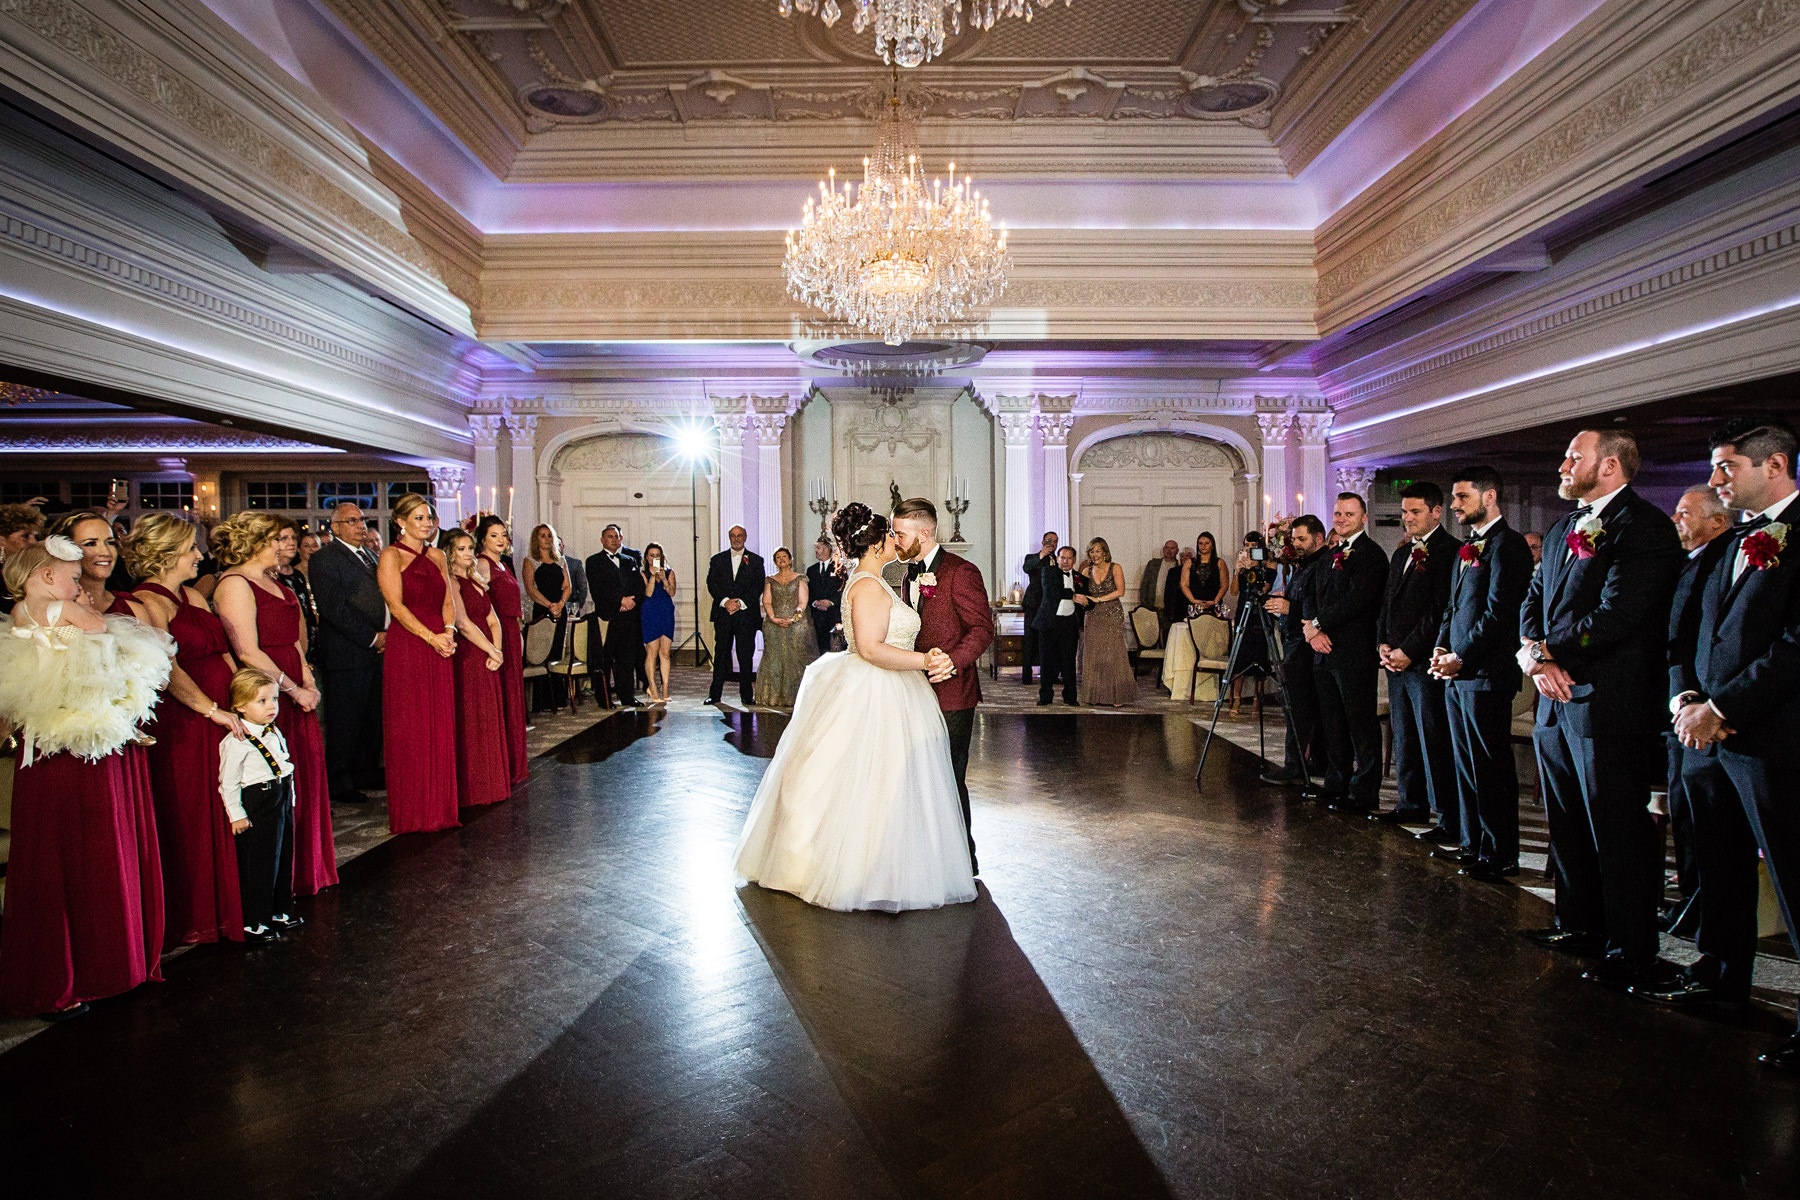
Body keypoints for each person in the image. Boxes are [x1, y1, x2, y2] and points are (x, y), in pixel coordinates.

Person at [732, 502, 974, 913]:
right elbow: (870, 648)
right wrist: (924, 660)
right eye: (892, 536)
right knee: (870, 782)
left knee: (888, 783)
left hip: (888, 687)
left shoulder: (873, 580)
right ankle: (863, 870)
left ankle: (888, 863)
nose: (898, 542)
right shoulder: (866, 585)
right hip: (877, 689)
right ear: (878, 543)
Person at [1656, 419, 1800, 1073]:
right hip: (1705, 737)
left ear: (1774, 466)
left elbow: (1794, 647)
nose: (1717, 480)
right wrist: (1687, 700)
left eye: (1727, 467)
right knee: (1719, 867)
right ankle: (1721, 981)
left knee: (1796, 884)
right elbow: (1688, 634)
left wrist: (1724, 707)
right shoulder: (1729, 544)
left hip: (1771, 739)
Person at [1519, 428, 1683, 991]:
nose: (1563, 464)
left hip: (1609, 703)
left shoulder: (1645, 528)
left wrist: (1551, 652)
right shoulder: (1566, 525)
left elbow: (1621, 615)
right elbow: (1532, 597)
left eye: (1574, 457)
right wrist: (1537, 659)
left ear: (1610, 466)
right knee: (1565, 821)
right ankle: (1579, 924)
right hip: (1554, 696)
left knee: (1617, 829)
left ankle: (1631, 947)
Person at [0, 536, 173, 1019]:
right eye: (73, 579)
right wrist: (84, 611)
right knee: (82, 844)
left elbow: (59, 648)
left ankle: (69, 967)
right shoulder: (65, 611)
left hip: (45, 732)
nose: (81, 587)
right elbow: (97, 627)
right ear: (48, 577)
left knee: (51, 850)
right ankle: (91, 966)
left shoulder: (20, 613)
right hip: (77, 737)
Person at [125, 513, 250, 948]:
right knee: (193, 811)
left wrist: (244, 700)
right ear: (166, 553)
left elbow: (224, 648)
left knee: (225, 803)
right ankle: (194, 915)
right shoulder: (148, 600)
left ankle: (226, 907)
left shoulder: (193, 594)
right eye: (191, 548)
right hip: (188, 719)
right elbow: (166, 667)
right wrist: (209, 708)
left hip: (223, 708)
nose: (199, 555)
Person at [211, 511, 338, 898]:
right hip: (263, 691)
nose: (286, 545)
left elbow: (294, 638)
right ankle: (275, 885)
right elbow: (247, 650)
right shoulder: (234, 584)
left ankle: (303, 870)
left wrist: (307, 678)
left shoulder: (273, 579)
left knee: (300, 780)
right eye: (276, 539)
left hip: (293, 678)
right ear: (253, 542)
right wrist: (290, 690)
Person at [1428, 468, 1534, 871]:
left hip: (1487, 674)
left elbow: (1499, 615)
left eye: (1461, 497)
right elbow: (1453, 606)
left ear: (1489, 496)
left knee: (1490, 767)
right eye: (1453, 497)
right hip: (1458, 673)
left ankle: (1500, 852)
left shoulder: (1508, 546)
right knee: (1465, 764)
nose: (1454, 504)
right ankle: (1472, 843)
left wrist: (1462, 657)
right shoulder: (1468, 546)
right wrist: (1442, 646)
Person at [892, 498, 996, 871]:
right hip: (916, 692)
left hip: (953, 692)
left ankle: (962, 863)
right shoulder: (908, 574)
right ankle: (927, 859)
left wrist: (952, 661)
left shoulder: (960, 571)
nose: (895, 540)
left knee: (950, 777)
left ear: (924, 532)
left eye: (900, 533)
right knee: (920, 778)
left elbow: (983, 630)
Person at [1658, 486, 1735, 934]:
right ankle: (1691, 899)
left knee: (1707, 822)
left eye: (1685, 513)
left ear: (1717, 522)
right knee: (1685, 813)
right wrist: (1680, 694)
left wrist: (1698, 701)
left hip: (1711, 712)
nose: (1676, 520)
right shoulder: (1689, 561)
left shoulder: (1721, 561)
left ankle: (1703, 907)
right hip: (1682, 703)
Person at [1373, 483, 1460, 830]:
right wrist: (1383, 642)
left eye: (1415, 512)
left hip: (1424, 661)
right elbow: (1388, 602)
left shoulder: (1450, 551)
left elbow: (1439, 610)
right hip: (1394, 659)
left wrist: (1409, 651)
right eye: (1404, 513)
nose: (1406, 519)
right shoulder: (1401, 552)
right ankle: (1411, 804)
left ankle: (1447, 816)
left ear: (1436, 512)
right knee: (1405, 734)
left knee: (1432, 738)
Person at [378, 493, 461, 833]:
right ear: (400, 522)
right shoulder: (390, 555)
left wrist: (449, 632)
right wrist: (431, 637)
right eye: (419, 518)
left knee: (439, 722)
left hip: (441, 642)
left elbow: (448, 599)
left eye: (429, 518)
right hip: (410, 645)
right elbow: (395, 606)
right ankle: (414, 811)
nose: (427, 524)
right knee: (411, 726)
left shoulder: (439, 555)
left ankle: (440, 807)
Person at [1298, 494, 1386, 813]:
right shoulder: (1330, 554)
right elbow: (1311, 594)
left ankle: (1365, 792)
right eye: (1337, 513)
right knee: (1331, 722)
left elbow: (1356, 601)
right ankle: (1336, 783)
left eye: (1349, 513)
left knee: (1359, 723)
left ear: (1363, 518)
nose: (1341, 518)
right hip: (1323, 651)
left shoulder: (1371, 555)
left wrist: (1318, 623)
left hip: (1353, 653)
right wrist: (1311, 629)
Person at [310, 503, 387, 806]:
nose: (360, 526)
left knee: (370, 715)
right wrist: (372, 637)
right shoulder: (325, 559)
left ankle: (365, 770)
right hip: (347, 651)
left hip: (375, 651)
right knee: (345, 718)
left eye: (362, 520)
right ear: (336, 526)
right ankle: (339, 779)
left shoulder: (369, 554)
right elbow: (333, 608)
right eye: (351, 521)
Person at [218, 667, 294, 945]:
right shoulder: (236, 742)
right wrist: (236, 814)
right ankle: (255, 921)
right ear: (239, 706)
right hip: (258, 801)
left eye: (274, 699)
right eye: (261, 701)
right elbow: (228, 782)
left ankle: (279, 911)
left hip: (280, 797)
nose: (271, 706)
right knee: (260, 863)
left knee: (283, 855)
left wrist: (290, 797)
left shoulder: (273, 732)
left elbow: (284, 765)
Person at [443, 527, 510, 808]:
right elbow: (463, 624)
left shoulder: (478, 581)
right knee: (472, 718)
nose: (469, 554)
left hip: (488, 653)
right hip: (470, 654)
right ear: (450, 553)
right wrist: (490, 650)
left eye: (470, 548)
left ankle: (492, 781)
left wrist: (499, 651)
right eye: (461, 549)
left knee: (489, 715)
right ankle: (475, 787)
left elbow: (493, 619)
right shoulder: (452, 582)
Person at [1260, 516, 1327, 793]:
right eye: (1294, 539)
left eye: (1301, 539)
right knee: (1301, 708)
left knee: (1298, 709)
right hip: (1295, 643)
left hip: (1305, 645)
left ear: (1319, 538)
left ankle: (1295, 765)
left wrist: (1290, 610)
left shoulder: (1322, 565)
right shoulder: (1303, 565)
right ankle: (1306, 760)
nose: (1296, 544)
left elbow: (1318, 606)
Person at [475, 515, 529, 783]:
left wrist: (517, 632)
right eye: (494, 535)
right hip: (496, 635)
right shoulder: (483, 564)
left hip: (510, 630)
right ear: (483, 538)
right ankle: (500, 765)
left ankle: (512, 763)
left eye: (503, 535)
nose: (500, 540)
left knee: (512, 695)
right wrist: (495, 645)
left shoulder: (503, 564)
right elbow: (481, 605)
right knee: (503, 696)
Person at [47, 509, 146, 621]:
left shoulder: (133, 609)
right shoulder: (49, 611)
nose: (106, 552)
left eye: (110, 542)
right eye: (91, 544)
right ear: (64, 550)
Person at [586, 523, 644, 709]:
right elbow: (598, 589)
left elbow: (639, 586)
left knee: (626, 660)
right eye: (609, 536)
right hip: (608, 617)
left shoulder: (630, 560)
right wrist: (620, 601)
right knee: (604, 659)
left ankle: (627, 696)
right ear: (603, 540)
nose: (613, 539)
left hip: (629, 618)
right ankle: (603, 698)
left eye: (616, 536)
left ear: (621, 539)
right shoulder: (593, 561)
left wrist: (632, 602)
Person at [706, 525, 764, 706]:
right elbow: (712, 584)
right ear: (729, 537)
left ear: (745, 537)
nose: (736, 539)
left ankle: (747, 695)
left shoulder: (756, 560)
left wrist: (739, 603)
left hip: (746, 616)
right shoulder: (717, 560)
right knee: (721, 655)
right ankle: (715, 695)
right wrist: (726, 602)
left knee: (745, 656)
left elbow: (758, 586)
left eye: (740, 535)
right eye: (733, 536)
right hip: (723, 615)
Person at [755, 547, 815, 707]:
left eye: (784, 556)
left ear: (790, 559)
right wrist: (773, 618)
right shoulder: (770, 579)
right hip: (773, 624)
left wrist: (793, 619)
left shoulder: (800, 578)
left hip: (795, 624)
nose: (781, 559)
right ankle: (773, 697)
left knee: (794, 657)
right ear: (775, 561)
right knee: (774, 657)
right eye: (778, 557)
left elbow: (803, 602)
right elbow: (766, 601)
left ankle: (796, 697)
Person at [1077, 536, 1134, 707]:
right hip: (1093, 616)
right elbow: (1082, 593)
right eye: (1092, 551)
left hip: (1112, 614)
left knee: (1112, 653)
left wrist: (1099, 599)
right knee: (1094, 654)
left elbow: (1120, 591)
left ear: (1105, 552)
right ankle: (1095, 695)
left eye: (1098, 551)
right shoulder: (1086, 571)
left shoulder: (1115, 567)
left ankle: (1116, 696)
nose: (1095, 555)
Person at [523, 523, 573, 711]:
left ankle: (558, 698)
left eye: (549, 535)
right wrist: (549, 606)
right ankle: (541, 701)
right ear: (536, 539)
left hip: (560, 609)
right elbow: (530, 588)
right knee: (540, 653)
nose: (546, 539)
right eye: (542, 535)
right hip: (542, 612)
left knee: (556, 652)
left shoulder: (560, 560)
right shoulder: (530, 561)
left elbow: (568, 586)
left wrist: (560, 604)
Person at [1033, 545, 1087, 706]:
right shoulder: (1048, 572)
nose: (1065, 561)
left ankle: (1071, 697)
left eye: (1069, 558)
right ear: (1057, 559)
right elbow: (1052, 592)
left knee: (1069, 661)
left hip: (1069, 623)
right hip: (1049, 622)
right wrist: (1074, 595)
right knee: (1046, 661)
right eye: (1062, 558)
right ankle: (1045, 697)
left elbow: (1087, 599)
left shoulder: (1080, 578)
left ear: (1074, 560)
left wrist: (1086, 601)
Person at [1228, 533, 1276, 715]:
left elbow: (1264, 589)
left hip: (1260, 613)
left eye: (1253, 544)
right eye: (1246, 544)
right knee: (1240, 655)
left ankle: (1257, 699)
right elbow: (1233, 591)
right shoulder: (1242, 562)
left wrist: (1256, 567)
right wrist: (1238, 570)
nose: (1249, 548)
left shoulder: (1268, 564)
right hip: (1243, 612)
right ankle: (1237, 699)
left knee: (1259, 656)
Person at [273, 519, 320, 668]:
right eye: (284, 538)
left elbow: (308, 615)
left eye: (293, 538)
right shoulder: (270, 576)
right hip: (286, 649)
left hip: (311, 645)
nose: (291, 542)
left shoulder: (297, 575)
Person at [639, 542, 677, 703]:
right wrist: (654, 578)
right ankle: (652, 687)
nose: (654, 558)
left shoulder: (669, 572)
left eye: (657, 555)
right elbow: (647, 593)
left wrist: (664, 580)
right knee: (652, 652)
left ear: (662, 557)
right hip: (650, 613)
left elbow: (672, 592)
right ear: (647, 558)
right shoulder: (642, 574)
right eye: (651, 555)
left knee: (665, 653)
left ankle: (665, 687)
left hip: (666, 612)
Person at [1020, 532, 1059, 683]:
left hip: (1051, 606)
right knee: (1030, 640)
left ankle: (1051, 674)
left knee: (1051, 641)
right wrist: (1042, 554)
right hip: (1034, 604)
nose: (1052, 544)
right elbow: (1027, 568)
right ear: (1043, 541)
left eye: (1055, 541)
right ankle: (1026, 676)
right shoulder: (1032, 557)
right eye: (1050, 541)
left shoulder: (1057, 560)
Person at [0, 502, 45, 615]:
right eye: (25, 536)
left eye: (35, 536)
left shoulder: (42, 571)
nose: (33, 542)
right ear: (2, 541)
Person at [1138, 539, 1185, 649]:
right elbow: (1145, 584)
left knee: (1168, 640)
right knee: (1149, 640)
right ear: (1163, 549)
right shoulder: (1153, 564)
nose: (1169, 551)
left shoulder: (1180, 567)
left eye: (1172, 548)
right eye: (1167, 548)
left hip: (1169, 611)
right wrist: (1145, 604)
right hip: (1152, 608)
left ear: (1177, 551)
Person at [806, 537, 842, 654]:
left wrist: (830, 602)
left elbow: (842, 590)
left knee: (836, 647)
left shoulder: (839, 568)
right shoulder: (811, 570)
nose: (816, 551)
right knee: (821, 648)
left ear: (827, 549)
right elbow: (808, 591)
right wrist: (814, 603)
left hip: (834, 615)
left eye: (818, 548)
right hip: (817, 616)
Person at [1181, 532, 1229, 619]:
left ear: (1212, 545)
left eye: (1207, 543)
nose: (1204, 546)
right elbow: (1184, 584)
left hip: (1214, 604)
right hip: (1194, 605)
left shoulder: (1220, 563)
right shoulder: (1189, 563)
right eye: (1201, 543)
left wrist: (1215, 601)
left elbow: (1224, 585)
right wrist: (1193, 601)